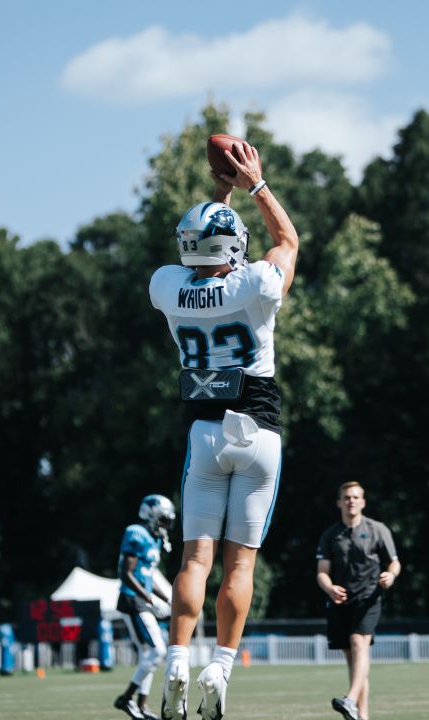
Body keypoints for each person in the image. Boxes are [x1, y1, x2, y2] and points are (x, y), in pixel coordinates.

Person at [153, 139, 299, 720]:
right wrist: (254, 184)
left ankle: (177, 662)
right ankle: (221, 665)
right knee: (241, 566)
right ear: (233, 247)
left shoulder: (166, 286)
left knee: (195, 560)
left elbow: (201, 251)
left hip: (204, 436)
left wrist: (219, 192)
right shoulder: (255, 285)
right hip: (258, 435)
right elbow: (286, 242)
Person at [316, 481, 401, 720]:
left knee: (358, 643)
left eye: (355, 497)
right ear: (339, 502)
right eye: (346, 497)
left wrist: (391, 575)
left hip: (369, 597)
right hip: (340, 601)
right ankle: (361, 716)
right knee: (353, 661)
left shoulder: (377, 529)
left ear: (363, 502)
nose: (351, 501)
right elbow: (322, 571)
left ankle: (350, 700)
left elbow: (394, 562)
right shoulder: (330, 535)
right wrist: (329, 587)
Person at [114, 495, 177, 720]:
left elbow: (149, 577)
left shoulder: (154, 538)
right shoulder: (136, 533)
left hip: (141, 598)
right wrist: (147, 597)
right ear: (149, 515)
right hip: (131, 599)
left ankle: (140, 706)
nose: (165, 524)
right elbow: (126, 574)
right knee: (158, 650)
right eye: (162, 519)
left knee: (148, 655)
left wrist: (167, 598)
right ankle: (126, 698)